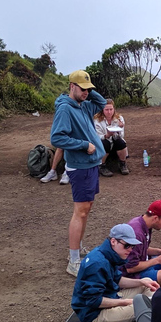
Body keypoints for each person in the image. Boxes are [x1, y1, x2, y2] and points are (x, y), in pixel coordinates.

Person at [50, 70, 107, 276]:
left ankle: (79, 249)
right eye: (82, 89)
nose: (87, 93)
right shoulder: (65, 109)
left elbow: (102, 103)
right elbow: (57, 138)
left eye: (88, 89)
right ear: (71, 86)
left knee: (87, 208)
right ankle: (73, 261)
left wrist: (88, 91)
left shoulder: (83, 104)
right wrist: (84, 145)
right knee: (80, 211)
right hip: (80, 166)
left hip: (91, 164)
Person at [71, 223, 160, 322]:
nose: (130, 250)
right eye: (126, 245)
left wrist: (141, 282)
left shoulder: (107, 254)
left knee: (146, 282)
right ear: (113, 241)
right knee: (145, 305)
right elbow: (94, 301)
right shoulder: (97, 264)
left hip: (110, 297)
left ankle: (146, 315)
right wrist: (125, 302)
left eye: (132, 246)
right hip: (95, 317)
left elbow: (117, 280)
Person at [124, 200, 161, 286]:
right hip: (131, 276)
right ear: (155, 218)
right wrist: (157, 260)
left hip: (142, 265)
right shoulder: (137, 233)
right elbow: (130, 268)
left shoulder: (144, 223)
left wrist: (160, 251)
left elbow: (141, 249)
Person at [93, 98, 129, 176]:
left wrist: (120, 128)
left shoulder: (119, 119)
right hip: (103, 140)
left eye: (111, 109)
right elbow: (97, 136)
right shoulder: (97, 120)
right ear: (102, 110)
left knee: (121, 142)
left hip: (114, 139)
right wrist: (107, 135)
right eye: (106, 110)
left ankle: (123, 163)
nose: (109, 112)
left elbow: (122, 135)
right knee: (105, 143)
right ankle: (101, 165)